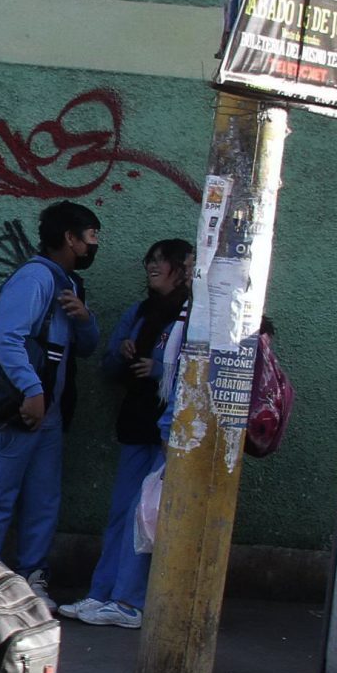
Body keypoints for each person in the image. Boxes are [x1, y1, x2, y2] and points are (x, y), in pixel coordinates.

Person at [0, 200, 102, 598]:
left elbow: (86, 349)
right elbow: (5, 338)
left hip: (48, 414)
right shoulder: (35, 278)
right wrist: (32, 390)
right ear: (70, 238)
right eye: (91, 237)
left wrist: (85, 320)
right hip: (12, 411)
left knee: (44, 499)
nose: (94, 245)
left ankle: (31, 578)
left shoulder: (68, 283)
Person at [61, 238, 192, 630]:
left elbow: (201, 371)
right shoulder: (140, 312)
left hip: (172, 431)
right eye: (149, 260)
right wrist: (121, 354)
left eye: (162, 261)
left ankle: (129, 601)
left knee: (146, 516)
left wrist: (160, 370)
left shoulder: (194, 315)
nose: (153, 267)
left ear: (183, 269)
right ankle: (102, 593)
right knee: (123, 512)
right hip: (137, 424)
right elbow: (107, 367)